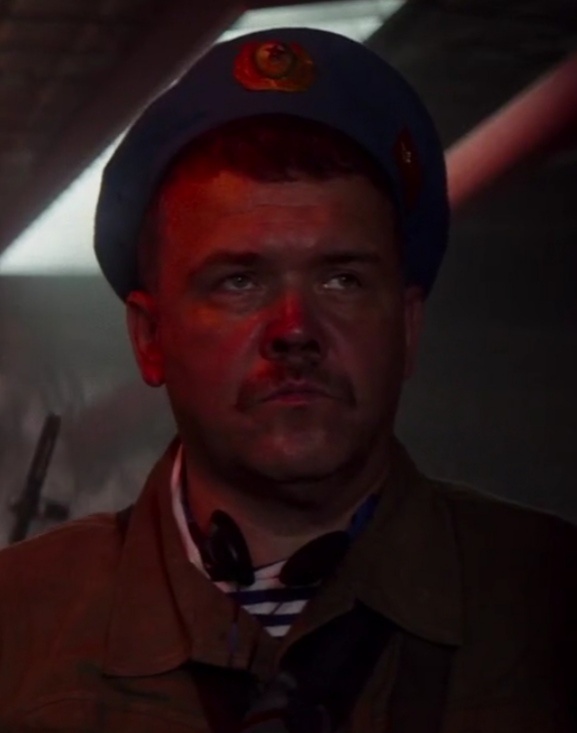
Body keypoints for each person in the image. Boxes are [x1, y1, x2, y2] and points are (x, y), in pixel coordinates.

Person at [0, 27, 575, 733]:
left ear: (406, 327)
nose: (295, 328)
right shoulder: (17, 628)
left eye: (341, 279)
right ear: (150, 338)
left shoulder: (550, 601)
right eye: (239, 281)